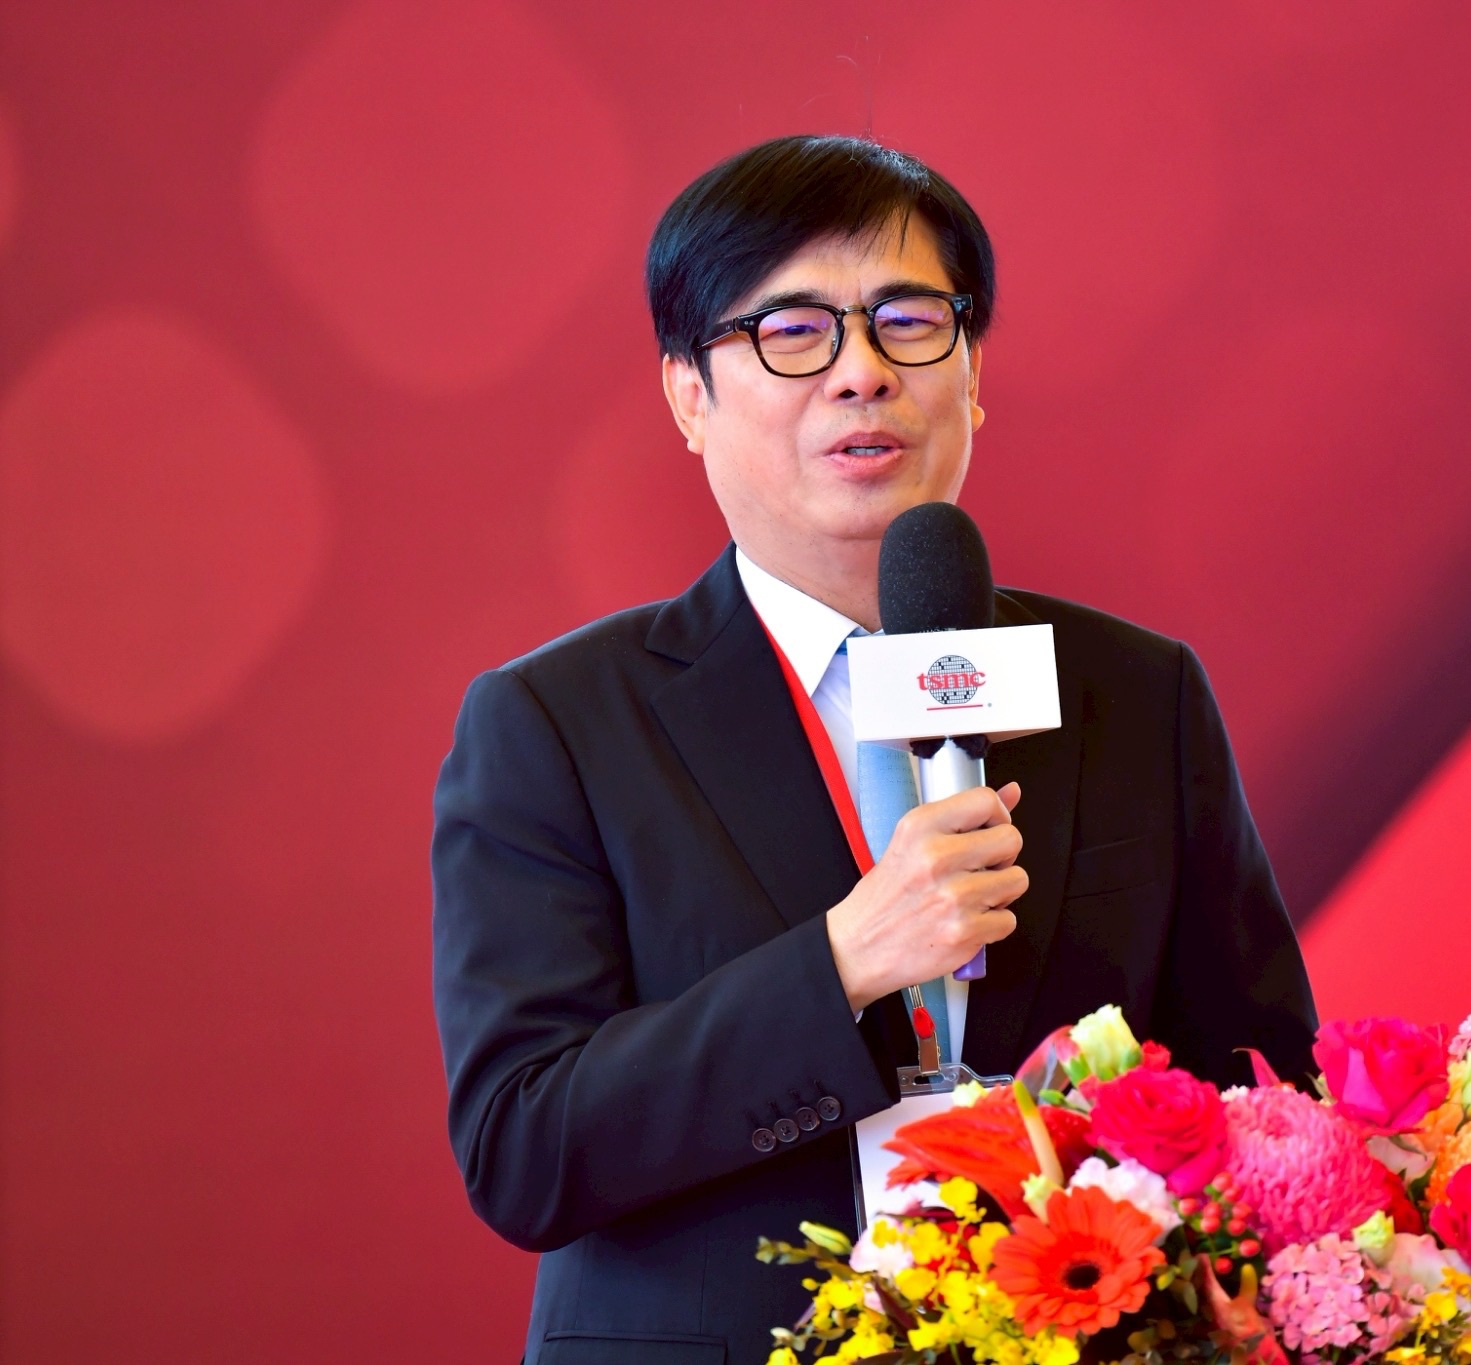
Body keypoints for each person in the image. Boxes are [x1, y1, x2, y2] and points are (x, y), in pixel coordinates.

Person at [431, 134, 1316, 1365]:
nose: (861, 373)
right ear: (687, 395)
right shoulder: (558, 721)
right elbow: (524, 1149)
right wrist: (842, 961)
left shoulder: (1133, 691)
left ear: (972, 371)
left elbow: (1260, 1090)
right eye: (792, 332)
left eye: (907, 322)